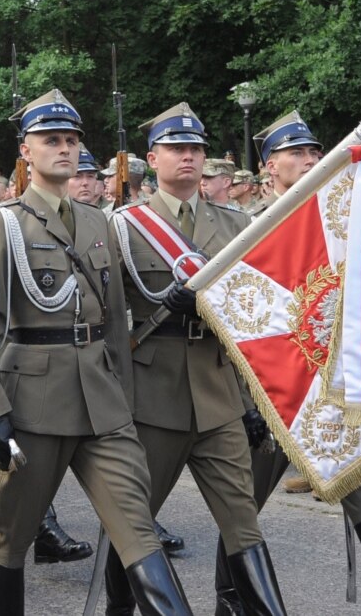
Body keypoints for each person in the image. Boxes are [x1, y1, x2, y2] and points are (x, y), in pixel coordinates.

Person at [0, 90, 189, 614]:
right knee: (11, 538)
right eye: (50, 140)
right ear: (26, 152)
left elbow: (112, 321)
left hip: (102, 403)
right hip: (33, 404)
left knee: (138, 531)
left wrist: (124, 399)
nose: (63, 149)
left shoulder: (97, 222)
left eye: (70, 140)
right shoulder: (2, 224)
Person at [235, 111, 361, 614]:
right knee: (241, 507)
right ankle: (231, 598)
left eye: (312, 152)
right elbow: (243, 321)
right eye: (296, 154)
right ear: (269, 166)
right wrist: (248, 401)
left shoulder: (338, 221)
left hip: (328, 386)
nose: (309, 161)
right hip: (270, 390)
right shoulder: (247, 226)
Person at [103, 103, 286, 615]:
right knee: (136, 524)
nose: (187, 157)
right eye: (176, 149)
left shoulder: (236, 224)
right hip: (152, 397)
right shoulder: (124, 226)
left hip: (218, 393)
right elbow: (110, 321)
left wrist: (254, 402)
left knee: (243, 523)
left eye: (196, 149)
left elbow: (253, 319)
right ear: (151, 158)